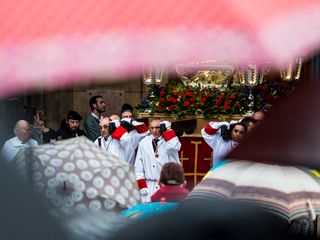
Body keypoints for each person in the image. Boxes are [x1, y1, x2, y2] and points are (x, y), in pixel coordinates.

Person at [135, 118, 181, 203]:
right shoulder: (144, 143)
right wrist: (141, 185)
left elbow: (174, 147)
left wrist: (168, 131)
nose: (154, 130)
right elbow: (138, 166)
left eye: (157, 127)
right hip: (149, 185)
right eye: (152, 128)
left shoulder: (169, 141)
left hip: (166, 185)